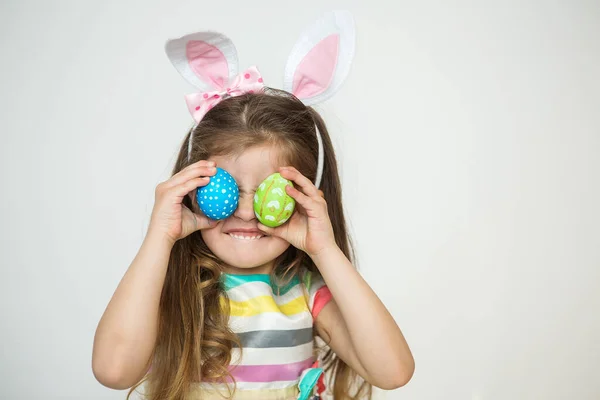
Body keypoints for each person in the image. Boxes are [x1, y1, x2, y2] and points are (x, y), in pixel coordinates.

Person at [92, 11, 414, 400]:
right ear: (191, 188)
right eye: (224, 187)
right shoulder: (175, 287)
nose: (245, 211)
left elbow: (393, 372)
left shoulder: (302, 291)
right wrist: (159, 239)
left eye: (269, 192)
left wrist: (325, 249)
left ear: (305, 195)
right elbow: (113, 370)